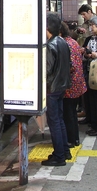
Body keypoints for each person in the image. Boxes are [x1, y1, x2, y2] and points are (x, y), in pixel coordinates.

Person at [43, 13, 71, 166]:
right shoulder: (62, 41)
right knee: (60, 120)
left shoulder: (50, 45)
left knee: (54, 122)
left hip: (52, 88)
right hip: (61, 86)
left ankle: (59, 156)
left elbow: (47, 69)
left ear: (47, 27)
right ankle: (64, 151)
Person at [61, 21, 86, 148]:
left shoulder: (64, 44)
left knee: (68, 113)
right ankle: (75, 138)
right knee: (72, 113)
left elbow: (69, 66)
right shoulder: (73, 42)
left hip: (70, 85)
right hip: (78, 83)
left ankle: (71, 139)